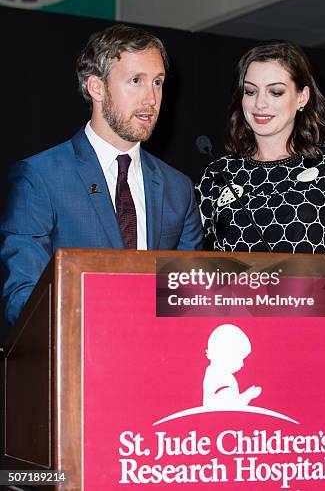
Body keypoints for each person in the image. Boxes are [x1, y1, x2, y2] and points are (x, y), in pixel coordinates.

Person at [1, 24, 202, 325]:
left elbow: (190, 301)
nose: (151, 99)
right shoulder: (40, 178)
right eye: (136, 81)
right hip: (81, 360)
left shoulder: (178, 188)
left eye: (158, 82)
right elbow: (24, 300)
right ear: (97, 87)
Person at [196, 40, 325, 254]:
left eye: (275, 92)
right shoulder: (219, 173)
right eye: (250, 91)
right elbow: (182, 262)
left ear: (302, 97)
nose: (260, 103)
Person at [203, 324, 261, 408]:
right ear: (224, 355)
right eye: (239, 359)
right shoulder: (220, 378)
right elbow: (229, 406)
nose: (242, 364)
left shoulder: (212, 372)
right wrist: (248, 395)